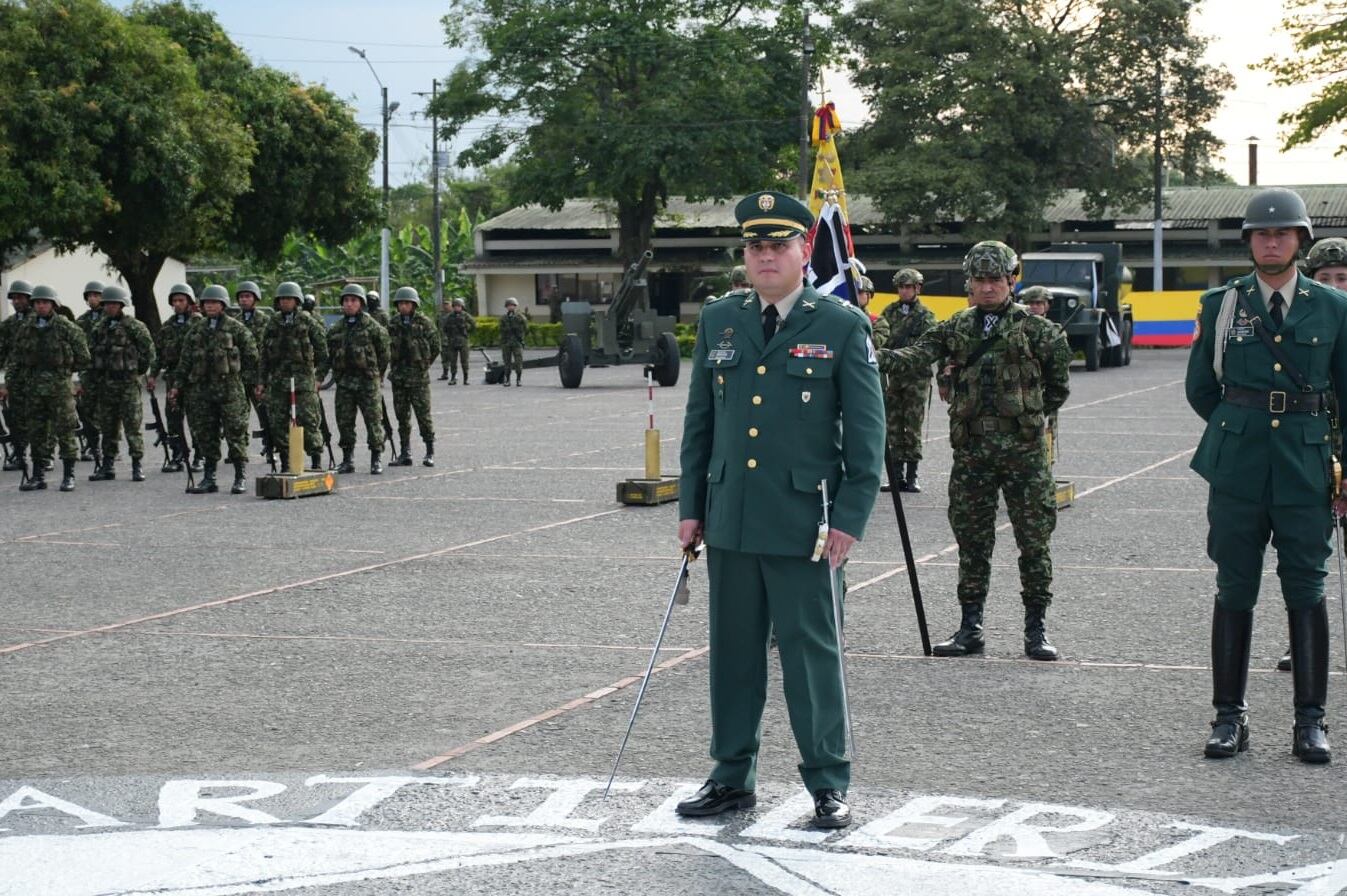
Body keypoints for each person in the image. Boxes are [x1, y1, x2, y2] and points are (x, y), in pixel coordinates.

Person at [676, 190, 885, 829]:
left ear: (803, 251)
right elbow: (700, 423)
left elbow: (868, 433)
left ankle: (827, 782)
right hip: (732, 518)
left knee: (810, 656)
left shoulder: (840, 323)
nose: (766, 257)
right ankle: (731, 777)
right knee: (733, 656)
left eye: (779, 245)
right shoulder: (720, 319)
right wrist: (691, 507)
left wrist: (850, 518)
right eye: (755, 247)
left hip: (808, 525)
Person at [1186, 188, 1347, 764]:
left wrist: (1341, 467)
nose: (1271, 240)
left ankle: (1311, 722)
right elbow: (1202, 389)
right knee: (1235, 587)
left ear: (1300, 240)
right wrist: (1243, 426)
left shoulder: (1332, 307)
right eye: (1261, 233)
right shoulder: (1220, 304)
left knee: (1306, 588)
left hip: (1305, 466)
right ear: (1249, 241)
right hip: (1238, 468)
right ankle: (1229, 718)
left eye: (1282, 233)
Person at [878, 242, 1071, 661]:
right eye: (980, 281)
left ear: (1011, 281)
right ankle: (970, 628)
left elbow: (1057, 387)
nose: (987, 288)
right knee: (971, 542)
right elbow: (917, 356)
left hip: (1024, 453)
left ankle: (1036, 630)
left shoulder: (1038, 330)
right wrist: (875, 356)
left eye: (995, 280)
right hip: (972, 454)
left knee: (1034, 542)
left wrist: (1026, 418)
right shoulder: (956, 327)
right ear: (969, 283)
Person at [171, 285, 258, 495]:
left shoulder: (236, 329)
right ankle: (209, 477)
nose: (210, 306)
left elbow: (252, 357)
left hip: (230, 392)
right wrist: (177, 386)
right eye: (207, 303)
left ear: (223, 305)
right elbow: (185, 361)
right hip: (203, 392)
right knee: (206, 434)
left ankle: (240, 476)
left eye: (214, 303)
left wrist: (250, 383)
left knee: (235, 433)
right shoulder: (197, 330)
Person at [2, 285, 89, 491]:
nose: (41, 306)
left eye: (45, 302)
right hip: (33, 387)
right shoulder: (26, 328)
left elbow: (84, 356)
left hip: (59, 387)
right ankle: (38, 475)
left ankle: (69, 475)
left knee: (65, 430)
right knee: (36, 431)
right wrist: (8, 384)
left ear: (52, 305)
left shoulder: (65, 327)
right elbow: (16, 358)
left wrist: (65, 371)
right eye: (38, 303)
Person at [86, 285, 156, 483]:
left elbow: (148, 353)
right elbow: (91, 353)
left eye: (114, 304)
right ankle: (107, 465)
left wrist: (137, 371)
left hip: (128, 384)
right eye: (107, 304)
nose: (110, 307)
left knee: (132, 425)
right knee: (108, 427)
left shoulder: (134, 326)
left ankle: (137, 465)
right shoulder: (99, 328)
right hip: (106, 384)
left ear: (122, 305)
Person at [257, 281, 329, 472]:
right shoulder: (273, 323)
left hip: (304, 381)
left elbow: (323, 352)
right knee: (278, 422)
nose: (285, 302)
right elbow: (264, 354)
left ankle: (315, 460)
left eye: (288, 299)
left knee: (308, 420)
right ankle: (286, 462)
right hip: (279, 381)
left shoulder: (307, 321)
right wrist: (261, 381)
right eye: (281, 299)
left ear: (296, 301)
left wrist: (319, 378)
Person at [878, 268, 936, 493]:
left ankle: (912, 476)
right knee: (893, 425)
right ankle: (896, 476)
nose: (904, 291)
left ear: (917, 288)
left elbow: (928, 344)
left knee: (912, 427)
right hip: (894, 376)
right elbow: (883, 338)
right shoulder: (889, 312)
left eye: (909, 287)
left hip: (916, 377)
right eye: (901, 287)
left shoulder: (925, 315)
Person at [327, 283, 389, 474]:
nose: (349, 304)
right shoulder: (336, 329)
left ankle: (376, 458)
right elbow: (328, 354)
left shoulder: (373, 327)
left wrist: (378, 374)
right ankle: (347, 459)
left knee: (373, 420)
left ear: (361, 303)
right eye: (346, 300)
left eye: (353, 300)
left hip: (367, 382)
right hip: (345, 382)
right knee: (344, 422)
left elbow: (384, 351)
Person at [148, 284, 200, 473]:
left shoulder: (198, 324)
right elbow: (159, 354)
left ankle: (200, 456)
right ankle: (178, 453)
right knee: (173, 418)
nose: (177, 304)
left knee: (197, 419)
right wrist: (152, 375)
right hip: (172, 377)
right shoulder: (167, 327)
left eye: (181, 300)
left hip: (193, 379)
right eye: (174, 301)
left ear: (189, 302)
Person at [386, 286, 440, 467]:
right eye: (401, 303)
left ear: (414, 304)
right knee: (402, 417)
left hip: (418, 379)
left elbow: (435, 346)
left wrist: (424, 365)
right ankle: (405, 452)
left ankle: (429, 451)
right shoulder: (393, 323)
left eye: (407, 303)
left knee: (423, 416)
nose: (404, 306)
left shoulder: (424, 323)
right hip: (399, 378)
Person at [0, 280, 35, 472]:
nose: (16, 301)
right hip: (15, 379)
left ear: (29, 298)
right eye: (13, 298)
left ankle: (44, 456)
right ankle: (19, 452)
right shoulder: (8, 325)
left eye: (20, 297)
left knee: (40, 417)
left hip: (38, 378)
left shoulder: (39, 320)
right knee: (14, 417)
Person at [74, 281, 104, 463]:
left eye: (96, 295)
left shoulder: (109, 318)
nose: (93, 299)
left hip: (106, 371)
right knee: (86, 409)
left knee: (108, 411)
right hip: (88, 372)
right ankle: (92, 443)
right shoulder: (82, 321)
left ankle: (109, 446)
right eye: (90, 295)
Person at [440, 297, 476, 385]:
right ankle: (453, 378)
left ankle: (466, 378)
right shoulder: (449, 316)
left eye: (459, 306)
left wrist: (466, 328)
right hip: (452, 341)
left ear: (462, 306)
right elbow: (444, 328)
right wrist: (449, 336)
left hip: (463, 341)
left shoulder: (465, 315)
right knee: (453, 361)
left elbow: (473, 325)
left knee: (464, 361)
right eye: (455, 306)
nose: (457, 308)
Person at [499, 297, 528, 387]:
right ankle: (507, 380)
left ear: (515, 306)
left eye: (512, 305)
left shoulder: (520, 317)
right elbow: (500, 330)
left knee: (518, 362)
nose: (510, 307)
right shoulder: (503, 318)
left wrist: (521, 337)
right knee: (507, 363)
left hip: (517, 342)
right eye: (509, 305)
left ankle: (518, 379)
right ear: (506, 307)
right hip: (506, 343)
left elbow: (526, 329)